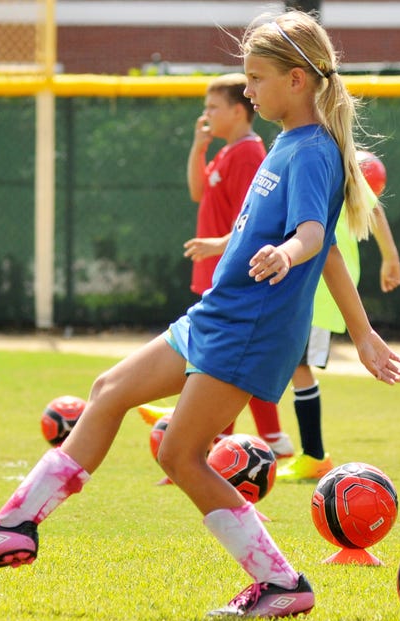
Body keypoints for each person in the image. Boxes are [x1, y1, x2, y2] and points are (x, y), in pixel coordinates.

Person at [0, 10, 400, 619]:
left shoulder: (312, 151)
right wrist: (360, 332)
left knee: (179, 456)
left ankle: (282, 583)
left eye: (255, 78)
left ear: (298, 81)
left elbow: (315, 237)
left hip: (249, 328)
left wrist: (287, 254)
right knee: (109, 389)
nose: (248, 90)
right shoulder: (289, 143)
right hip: (219, 313)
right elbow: (331, 250)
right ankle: (16, 525)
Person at [139, 72, 295, 458]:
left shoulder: (249, 154)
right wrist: (198, 148)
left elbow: (257, 222)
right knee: (220, 361)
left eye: (213, 107)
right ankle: (223, 446)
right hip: (214, 268)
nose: (205, 114)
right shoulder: (228, 151)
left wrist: (222, 246)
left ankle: (253, 440)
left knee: (226, 362)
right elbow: (198, 191)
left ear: (240, 111)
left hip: (235, 274)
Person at [277, 151, 400, 481]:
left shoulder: (337, 169)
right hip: (304, 285)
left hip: (325, 291)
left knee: (297, 366)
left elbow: (374, 210)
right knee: (280, 361)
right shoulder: (310, 163)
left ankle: (314, 455)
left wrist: (391, 258)